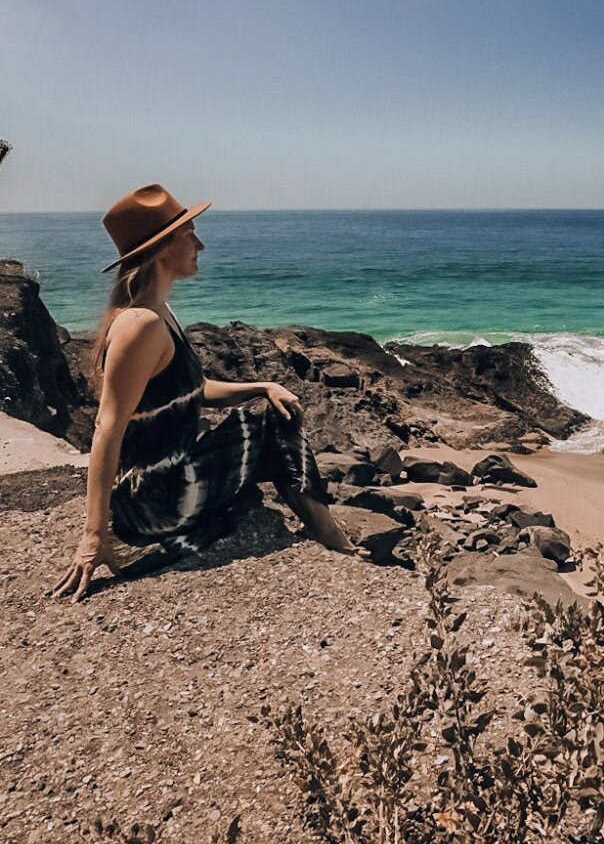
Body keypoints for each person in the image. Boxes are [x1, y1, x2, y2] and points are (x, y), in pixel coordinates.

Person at [53, 184, 368, 603]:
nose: (200, 244)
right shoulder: (140, 324)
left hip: (167, 485)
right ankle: (330, 535)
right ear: (163, 248)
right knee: (274, 424)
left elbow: (193, 391)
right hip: (158, 499)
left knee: (269, 408)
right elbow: (107, 427)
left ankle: (322, 526)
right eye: (190, 235)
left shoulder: (160, 313)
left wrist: (262, 386)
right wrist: (94, 537)